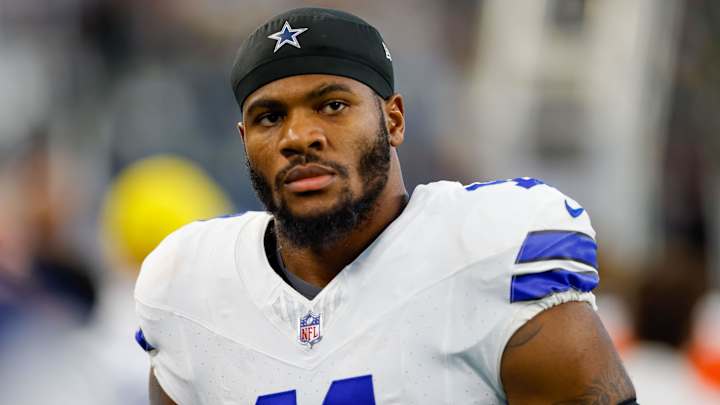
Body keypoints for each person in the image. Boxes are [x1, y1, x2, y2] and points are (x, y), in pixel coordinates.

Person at [134, 7, 636, 404]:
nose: (299, 137)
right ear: (244, 140)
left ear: (393, 120)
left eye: (332, 106)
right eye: (269, 117)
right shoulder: (190, 288)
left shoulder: (490, 254)